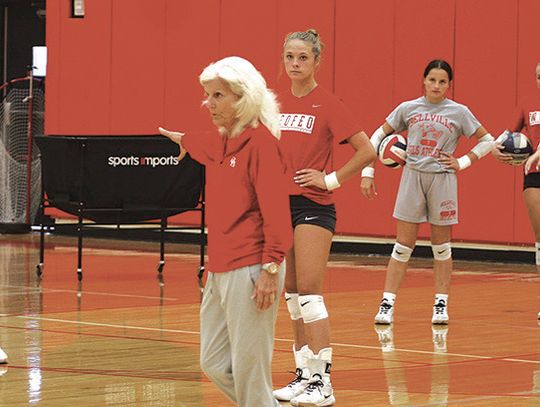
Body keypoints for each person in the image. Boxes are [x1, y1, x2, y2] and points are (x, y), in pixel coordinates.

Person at [158, 56, 292, 407]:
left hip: (253, 267)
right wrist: (182, 138)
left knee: (250, 371)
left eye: (218, 96)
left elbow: (276, 213)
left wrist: (270, 269)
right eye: (207, 95)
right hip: (219, 267)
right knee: (214, 362)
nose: (209, 103)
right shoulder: (220, 142)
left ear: (242, 98)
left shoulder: (261, 144)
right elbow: (201, 143)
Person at [272, 29, 376, 406]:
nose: (295, 64)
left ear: (317, 61)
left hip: (314, 206)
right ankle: (303, 375)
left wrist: (329, 179)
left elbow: (367, 151)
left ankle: (324, 382)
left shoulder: (328, 103)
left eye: (302, 57)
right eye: (289, 57)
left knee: (311, 294)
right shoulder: (275, 101)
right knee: (293, 295)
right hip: (280, 204)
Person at [361, 59, 494, 326]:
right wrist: (368, 172)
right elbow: (376, 136)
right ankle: (387, 303)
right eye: (432, 80)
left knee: (441, 247)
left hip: (442, 180)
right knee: (402, 247)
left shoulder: (459, 112)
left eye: (442, 81)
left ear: (449, 85)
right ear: (423, 80)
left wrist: (463, 161)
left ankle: (440, 304)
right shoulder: (408, 108)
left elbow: (488, 140)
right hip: (412, 177)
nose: (436, 85)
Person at [493, 62, 540, 320]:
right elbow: (508, 133)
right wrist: (494, 148)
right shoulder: (528, 102)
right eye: (539, 76)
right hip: (535, 176)